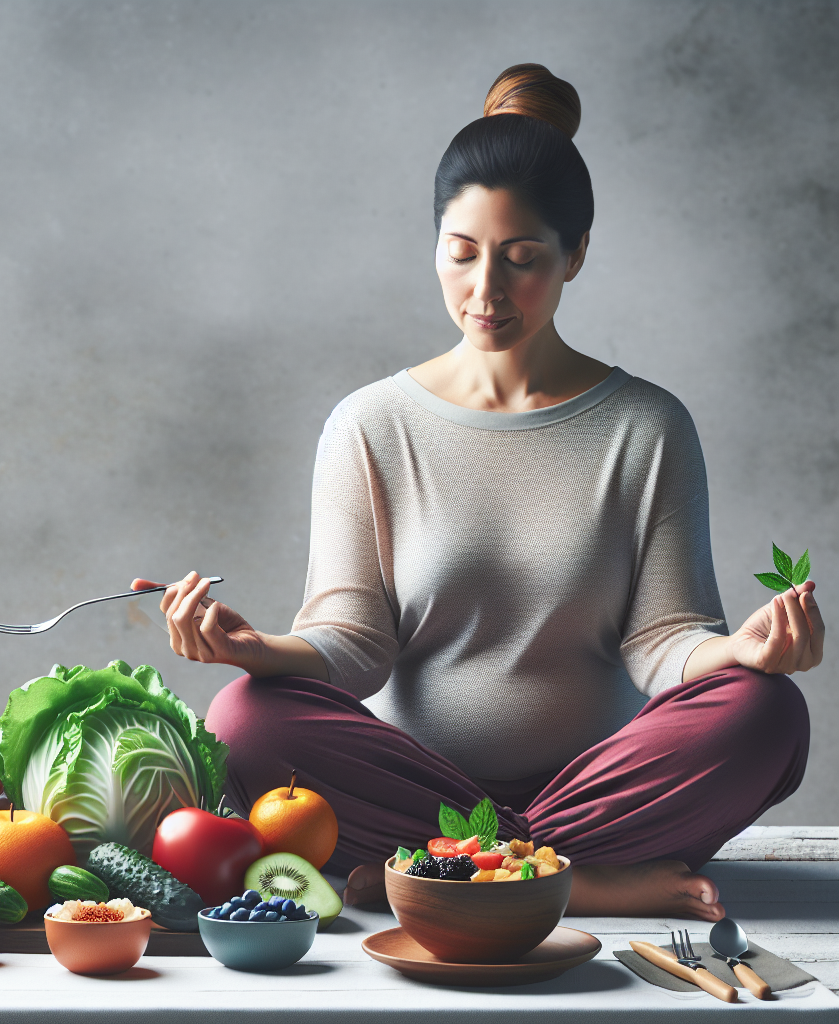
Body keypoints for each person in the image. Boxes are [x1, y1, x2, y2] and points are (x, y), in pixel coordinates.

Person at [133, 65, 824, 921]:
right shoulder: (370, 424)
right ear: (435, 246)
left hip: (600, 787)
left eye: (523, 259)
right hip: (415, 784)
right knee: (244, 716)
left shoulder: (647, 426)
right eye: (461, 255)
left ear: (576, 254)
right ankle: (580, 882)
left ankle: (435, 877)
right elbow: (353, 644)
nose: (485, 293)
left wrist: (743, 653)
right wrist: (256, 649)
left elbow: (665, 643)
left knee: (765, 713)